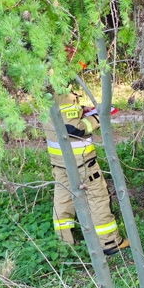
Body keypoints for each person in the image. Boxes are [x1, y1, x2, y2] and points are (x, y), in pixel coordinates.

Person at [43, 83, 129, 256]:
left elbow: (60, 117)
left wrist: (81, 110)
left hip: (60, 160)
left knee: (63, 197)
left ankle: (64, 243)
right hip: (80, 160)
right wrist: (97, 118)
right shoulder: (62, 90)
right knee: (97, 197)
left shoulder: (45, 84)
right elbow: (73, 129)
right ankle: (109, 242)